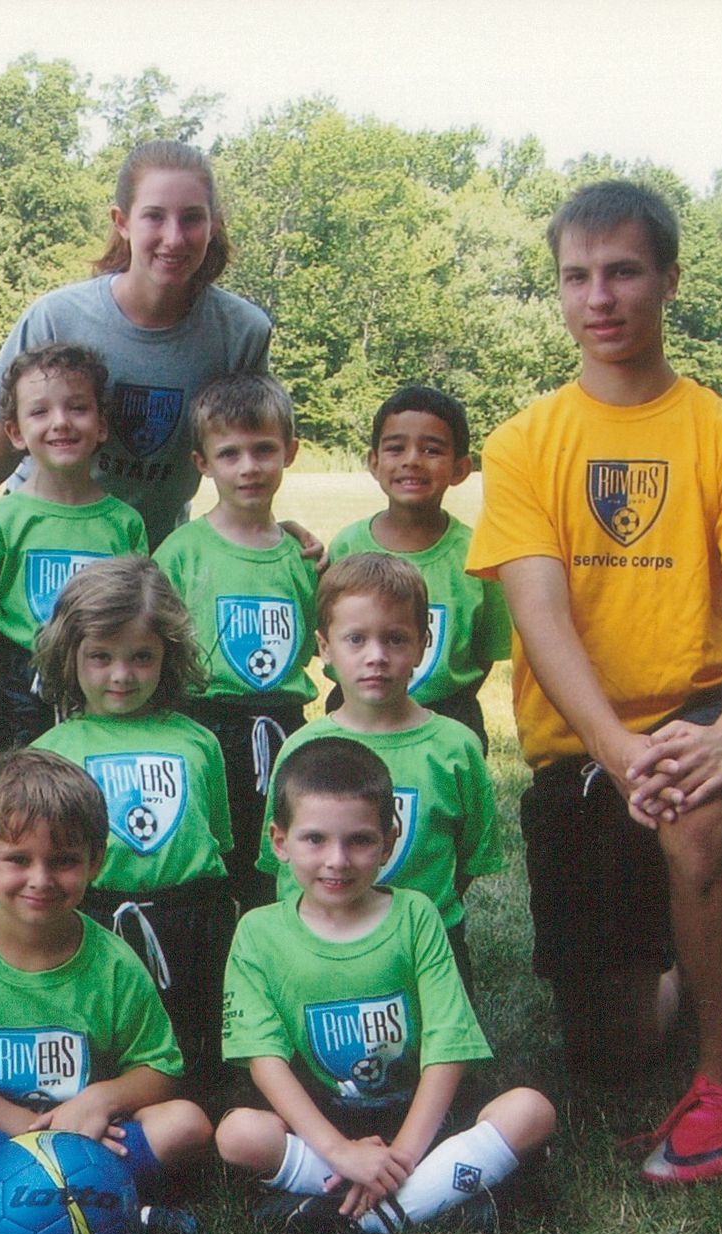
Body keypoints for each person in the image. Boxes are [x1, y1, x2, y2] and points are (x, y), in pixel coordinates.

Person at [465, 179, 722, 1184]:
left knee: (698, 818)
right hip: (584, 746)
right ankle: (699, 944)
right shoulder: (524, 443)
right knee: (612, 1048)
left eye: (622, 272)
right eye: (576, 276)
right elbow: (540, 615)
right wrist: (616, 751)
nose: (599, 297)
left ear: (669, 280)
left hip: (706, 714)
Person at [217, 738, 554, 1234]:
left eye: (359, 840)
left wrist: (403, 1155)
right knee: (238, 1134)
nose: (337, 860)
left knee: (531, 1111)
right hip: (324, 1116)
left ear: (389, 841)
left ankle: (361, 1216)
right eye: (315, 840)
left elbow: (448, 1047)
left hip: (421, 1112)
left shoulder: (416, 915)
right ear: (279, 841)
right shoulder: (258, 932)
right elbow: (264, 1061)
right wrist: (339, 1151)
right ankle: (427, 1202)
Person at [0, 750, 213, 1210]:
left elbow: (160, 1070)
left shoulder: (114, 962)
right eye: (18, 859)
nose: (40, 879)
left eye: (63, 861)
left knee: (187, 1124)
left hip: (88, 1134)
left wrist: (101, 1099)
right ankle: (77, 1196)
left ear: (95, 862)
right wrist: (24, 1126)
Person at [0, 140, 273, 550]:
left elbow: (250, 455)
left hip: (148, 557)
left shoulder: (242, 332)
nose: (174, 238)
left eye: (191, 218)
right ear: (122, 221)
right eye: (154, 216)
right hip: (38, 548)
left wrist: (272, 532)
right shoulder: (56, 318)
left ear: (213, 225)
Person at [256, 555, 500, 994]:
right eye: (356, 639)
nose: (377, 657)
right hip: (322, 950)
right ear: (324, 647)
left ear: (423, 644)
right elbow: (284, 861)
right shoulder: (302, 749)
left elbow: (469, 857)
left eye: (395, 639)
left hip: (427, 948)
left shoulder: (456, 749)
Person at [32, 557, 235, 1083]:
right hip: (92, 922)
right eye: (101, 656)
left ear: (169, 654)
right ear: (70, 653)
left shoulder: (198, 742)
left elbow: (217, 843)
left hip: (191, 923)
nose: (121, 675)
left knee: (193, 1054)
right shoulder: (50, 751)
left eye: (141, 657)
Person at [153, 372, 317, 899]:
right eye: (229, 454)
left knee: (280, 856)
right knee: (217, 863)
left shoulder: (302, 557)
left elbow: (315, 640)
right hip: (205, 724)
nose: (249, 467)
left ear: (290, 452)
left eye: (263, 449)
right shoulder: (182, 552)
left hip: (284, 726)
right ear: (202, 463)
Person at [0, 343, 149, 753]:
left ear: (102, 425)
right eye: (40, 412)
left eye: (77, 408)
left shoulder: (124, 523)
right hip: (12, 696)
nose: (60, 422)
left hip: (100, 688)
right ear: (15, 432)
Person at [324, 385, 511, 751]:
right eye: (396, 448)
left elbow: (486, 650)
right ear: (374, 462)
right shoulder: (346, 546)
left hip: (450, 718)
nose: (412, 460)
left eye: (431, 450)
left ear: (461, 468)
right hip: (355, 716)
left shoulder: (478, 553)